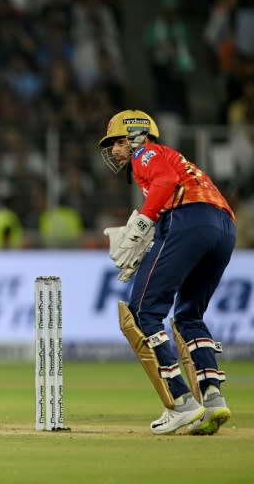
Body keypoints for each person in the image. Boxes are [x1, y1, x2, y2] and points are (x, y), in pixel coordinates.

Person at [99, 109, 235, 435]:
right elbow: (177, 189)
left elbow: (167, 182)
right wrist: (154, 231)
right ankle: (213, 398)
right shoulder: (173, 157)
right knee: (189, 314)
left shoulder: (146, 153)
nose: (114, 151)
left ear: (135, 136)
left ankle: (181, 402)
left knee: (144, 310)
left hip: (187, 220)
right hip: (224, 227)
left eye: (117, 142)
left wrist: (145, 220)